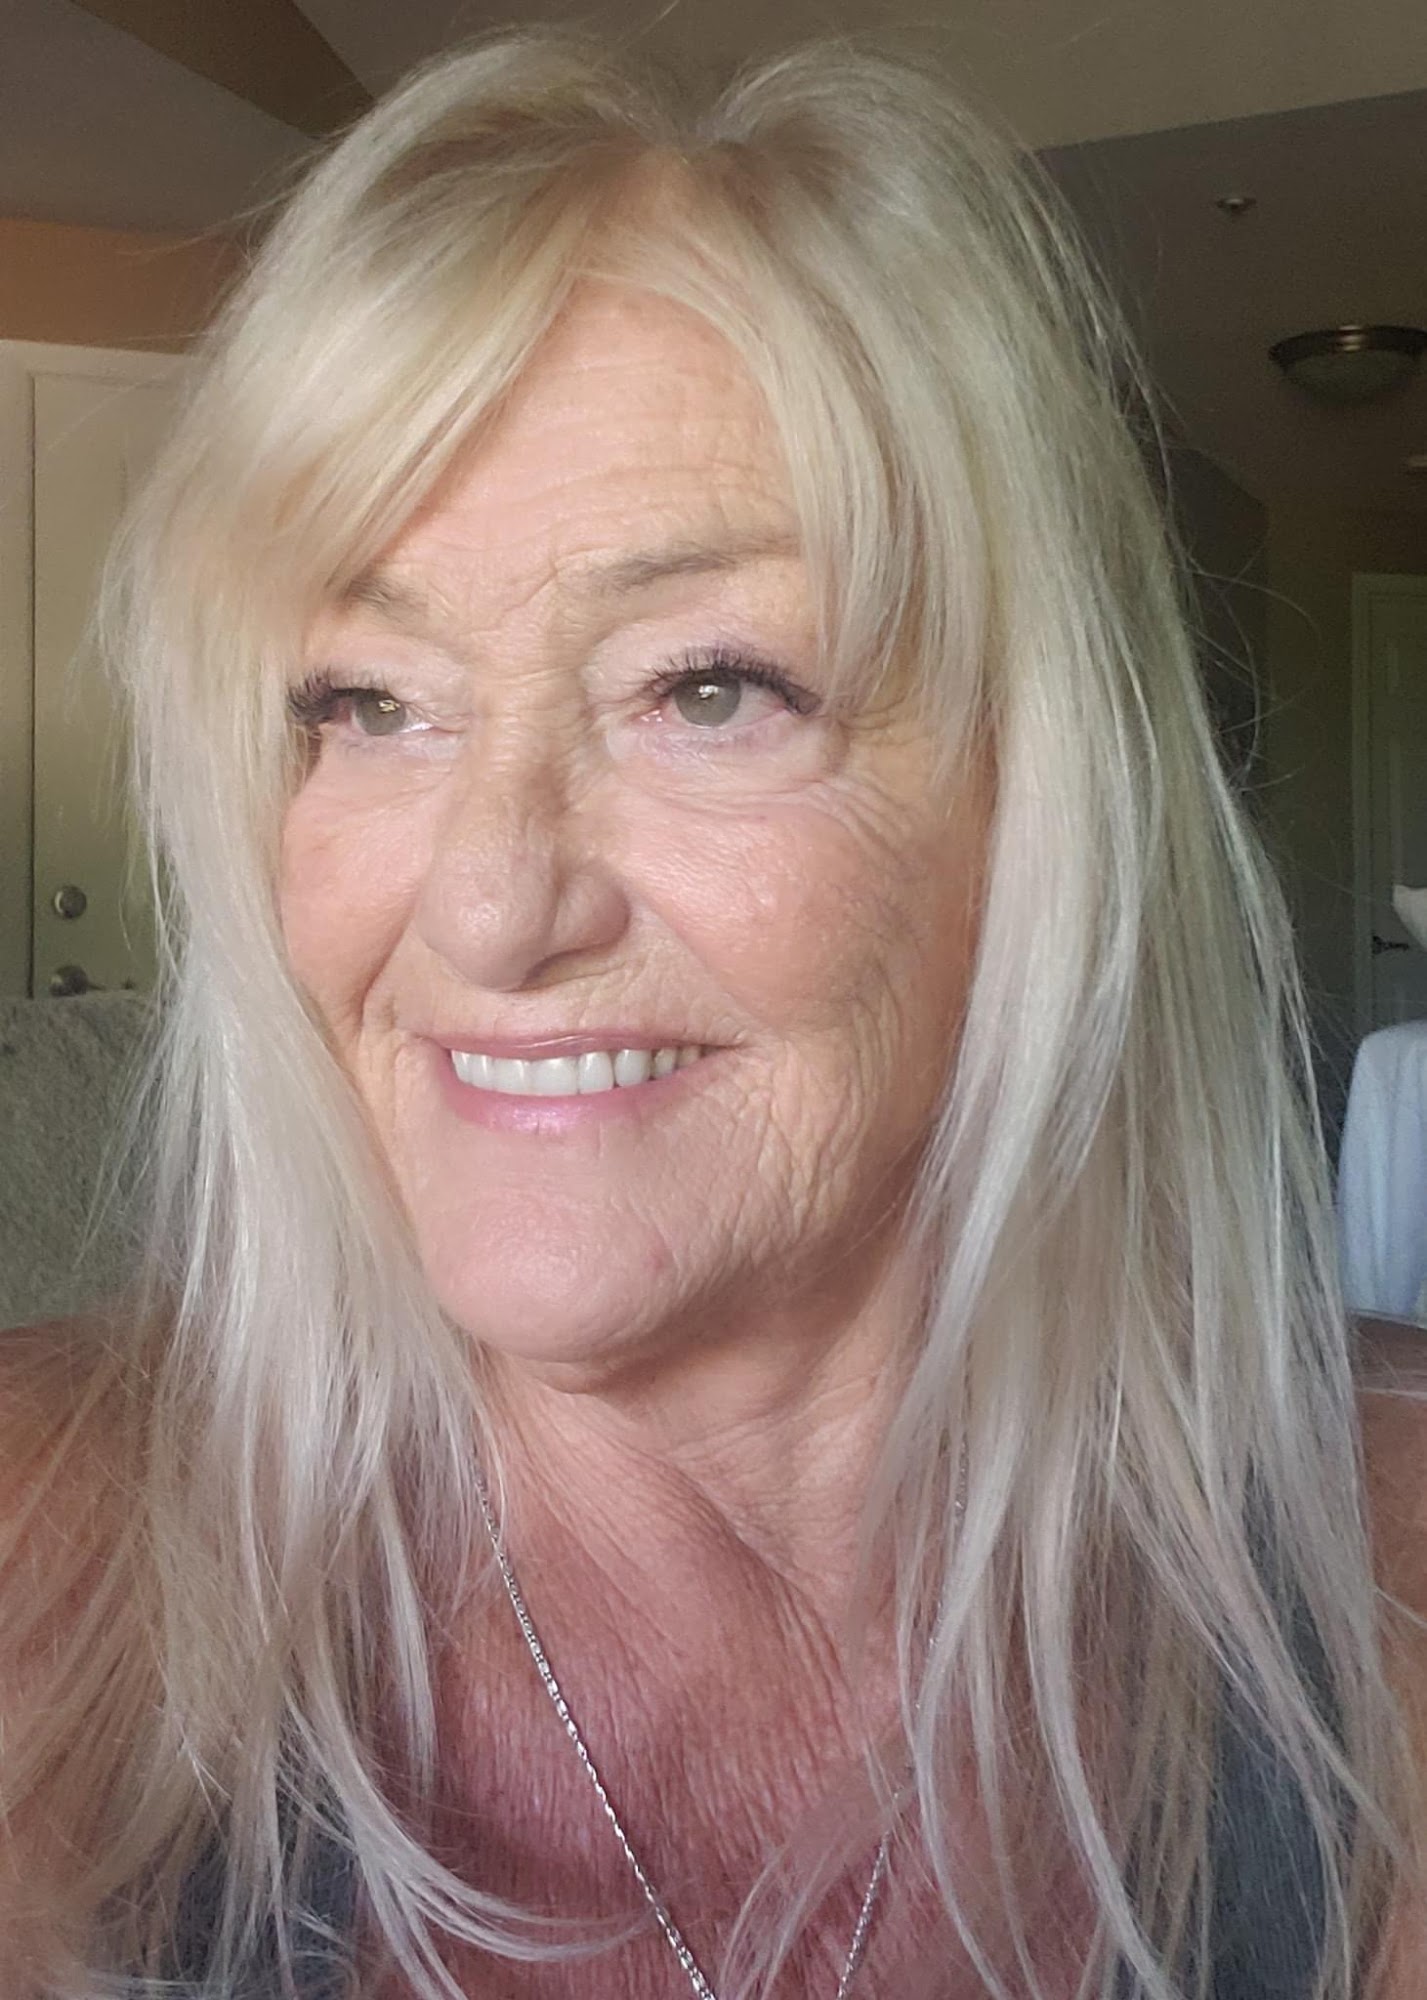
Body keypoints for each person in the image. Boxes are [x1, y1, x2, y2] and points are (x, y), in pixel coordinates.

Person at [2, 29, 1424, 2000]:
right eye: (370, 702)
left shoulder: (1381, 1600)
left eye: (707, 688)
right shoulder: (44, 1579)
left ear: (1032, 803)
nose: (488, 906)